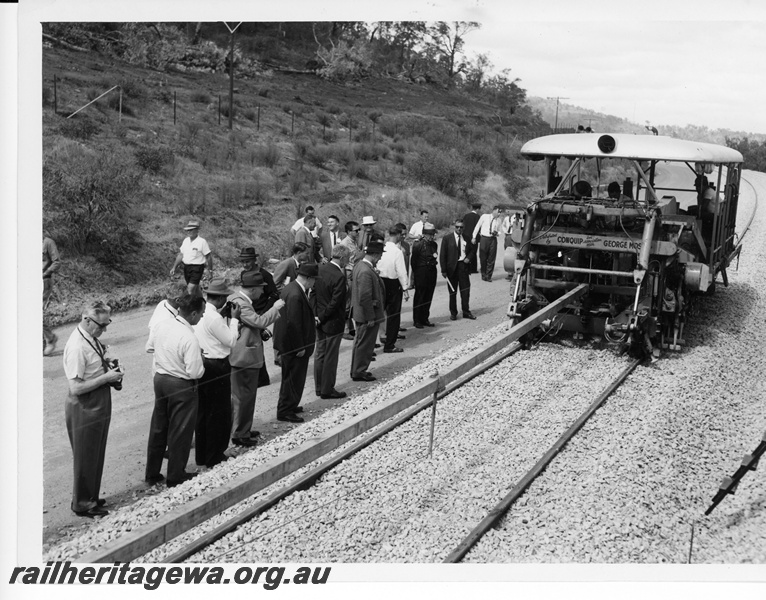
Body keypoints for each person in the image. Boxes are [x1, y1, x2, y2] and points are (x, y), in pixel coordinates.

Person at [62, 301, 123, 517]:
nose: (104, 329)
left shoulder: (90, 338)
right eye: (101, 325)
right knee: (86, 454)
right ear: (87, 320)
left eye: (107, 324)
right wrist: (106, 377)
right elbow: (75, 387)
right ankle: (82, 503)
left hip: (97, 400)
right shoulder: (77, 346)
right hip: (85, 404)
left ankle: (91, 496)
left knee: (96, 451)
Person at [145, 294, 205, 488]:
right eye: (201, 313)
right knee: (181, 430)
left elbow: (150, 347)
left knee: (159, 427)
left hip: (161, 379)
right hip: (181, 385)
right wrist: (200, 359)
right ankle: (175, 475)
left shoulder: (162, 325)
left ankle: (152, 473)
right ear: (194, 314)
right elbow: (195, 371)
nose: (202, 317)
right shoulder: (189, 337)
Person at [228, 271, 285, 445]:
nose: (262, 292)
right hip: (243, 357)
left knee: (247, 396)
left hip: (246, 356)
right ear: (253, 289)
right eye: (261, 289)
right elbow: (258, 321)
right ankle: (239, 433)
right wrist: (275, 308)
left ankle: (244, 429)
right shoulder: (240, 303)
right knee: (242, 397)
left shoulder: (239, 299)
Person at [192, 278, 241, 467]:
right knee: (219, 413)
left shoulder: (203, 314)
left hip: (204, 363)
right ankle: (215, 455)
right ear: (220, 299)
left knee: (204, 412)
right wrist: (234, 319)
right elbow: (230, 340)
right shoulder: (214, 318)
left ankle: (202, 456)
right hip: (217, 365)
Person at [274, 263, 318, 423]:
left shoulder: (292, 288)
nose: (314, 283)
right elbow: (293, 323)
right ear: (308, 278)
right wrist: (299, 346)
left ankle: (291, 404)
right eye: (314, 280)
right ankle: (285, 409)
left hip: (289, 344)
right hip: (294, 346)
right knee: (293, 377)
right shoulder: (295, 294)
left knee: (294, 377)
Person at [313, 245, 351, 399]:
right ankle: (327, 389)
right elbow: (335, 302)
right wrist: (323, 316)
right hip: (333, 321)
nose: (347, 262)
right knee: (330, 356)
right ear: (342, 258)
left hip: (319, 320)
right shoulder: (339, 276)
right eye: (347, 259)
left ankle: (318, 386)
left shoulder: (320, 270)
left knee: (320, 353)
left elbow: (313, 294)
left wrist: (317, 315)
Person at [239, 247, 279, 387]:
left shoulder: (265, 275)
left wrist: (264, 312)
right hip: (247, 312)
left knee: (257, 345)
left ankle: (262, 379)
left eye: (248, 261)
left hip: (260, 313)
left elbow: (274, 295)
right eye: (243, 262)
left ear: (254, 260)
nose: (245, 265)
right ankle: (257, 378)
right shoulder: (243, 274)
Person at [350, 240, 386, 381]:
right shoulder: (366, 271)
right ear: (376, 255)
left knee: (360, 343)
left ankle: (357, 370)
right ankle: (359, 371)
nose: (381, 258)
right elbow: (365, 297)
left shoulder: (360, 266)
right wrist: (371, 317)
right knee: (365, 345)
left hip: (362, 314)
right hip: (366, 315)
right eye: (380, 255)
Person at [377, 227, 409, 353]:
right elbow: (401, 271)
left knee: (380, 313)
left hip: (380, 281)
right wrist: (405, 288)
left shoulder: (382, 248)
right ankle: (390, 344)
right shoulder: (397, 251)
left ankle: (378, 341)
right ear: (398, 235)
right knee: (394, 315)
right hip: (392, 283)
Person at [440, 219, 476, 321]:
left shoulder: (467, 238)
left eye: (461, 227)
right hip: (452, 268)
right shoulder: (447, 239)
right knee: (452, 292)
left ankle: (466, 311)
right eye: (457, 227)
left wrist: (468, 258)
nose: (459, 229)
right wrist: (444, 270)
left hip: (463, 267)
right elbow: (443, 255)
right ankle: (453, 313)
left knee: (465, 291)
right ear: (454, 227)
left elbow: (473, 250)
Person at [169, 220, 213, 297]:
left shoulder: (202, 242)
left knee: (190, 289)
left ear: (197, 230)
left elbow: (208, 257)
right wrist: (174, 267)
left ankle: (187, 307)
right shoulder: (186, 241)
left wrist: (210, 270)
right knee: (195, 289)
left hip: (197, 268)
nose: (189, 232)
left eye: (191, 230)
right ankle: (202, 304)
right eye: (188, 230)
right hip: (186, 268)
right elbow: (180, 255)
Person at [410, 224, 438, 328]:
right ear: (424, 234)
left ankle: (425, 318)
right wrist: (417, 274)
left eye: (432, 234)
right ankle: (417, 319)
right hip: (421, 272)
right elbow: (413, 261)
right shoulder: (418, 245)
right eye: (429, 234)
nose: (431, 236)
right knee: (420, 296)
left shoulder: (434, 245)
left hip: (431, 272)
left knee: (428, 296)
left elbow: (434, 256)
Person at [339, 221, 363, 340]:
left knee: (352, 301)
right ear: (349, 231)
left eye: (358, 230)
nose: (358, 232)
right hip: (348, 273)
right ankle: (345, 329)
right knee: (347, 302)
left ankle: (350, 328)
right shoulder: (345, 244)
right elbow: (343, 263)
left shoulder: (354, 242)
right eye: (356, 230)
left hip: (354, 272)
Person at [471, 205, 504, 281]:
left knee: (491, 258)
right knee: (483, 257)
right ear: (494, 211)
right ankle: (483, 274)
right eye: (498, 212)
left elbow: (500, 231)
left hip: (493, 239)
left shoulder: (499, 220)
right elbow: (477, 226)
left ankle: (489, 276)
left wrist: (497, 233)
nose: (499, 214)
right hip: (484, 238)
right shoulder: (484, 216)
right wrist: (474, 237)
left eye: (500, 213)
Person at [43, 232, 61, 355]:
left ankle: (50, 338)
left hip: (44, 280)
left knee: (37, 313)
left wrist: (45, 273)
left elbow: (57, 262)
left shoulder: (48, 242)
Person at [462, 203, 482, 274]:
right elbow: (479, 228)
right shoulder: (477, 217)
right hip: (474, 237)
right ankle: (473, 268)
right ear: (477, 209)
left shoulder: (466, 216)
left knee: (466, 251)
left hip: (465, 236)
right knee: (473, 252)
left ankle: (466, 267)